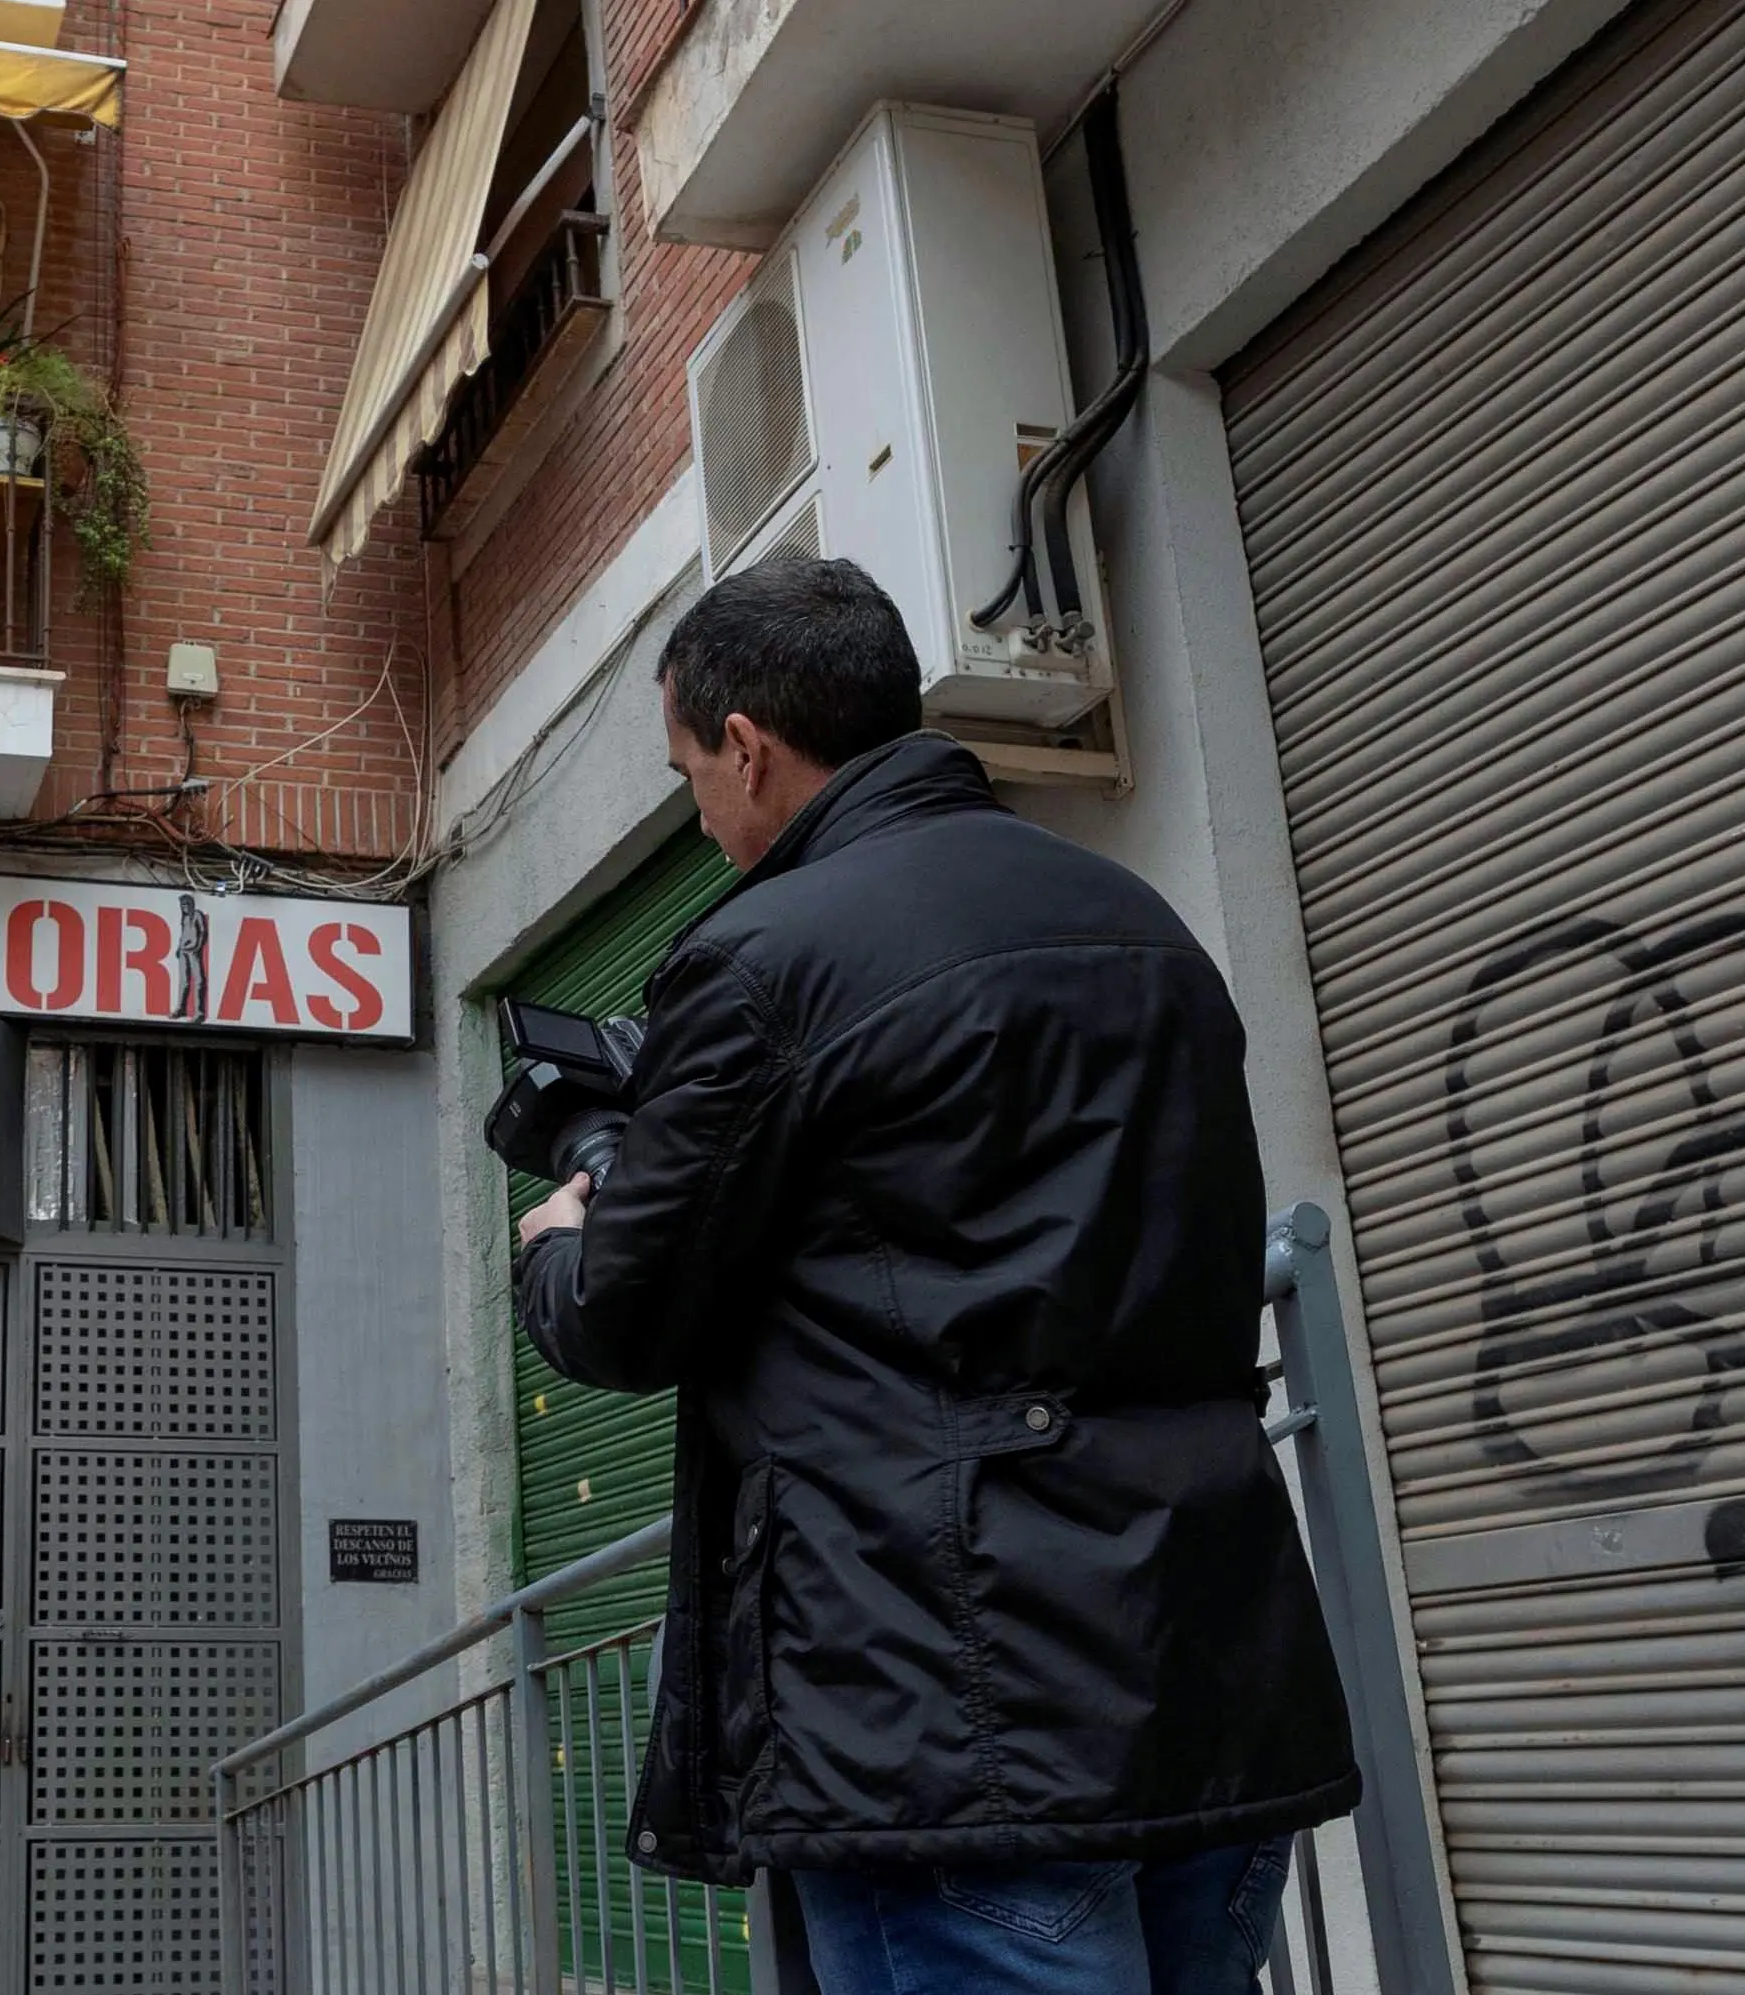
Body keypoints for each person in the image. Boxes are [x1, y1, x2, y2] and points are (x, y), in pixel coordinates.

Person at [511, 554, 1357, 1994]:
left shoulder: (764, 956)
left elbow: (623, 1312)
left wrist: (556, 1241)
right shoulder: (1143, 930)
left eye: (688, 774)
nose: (700, 813)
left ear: (744, 747)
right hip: (1203, 1666)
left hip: (944, 1706)